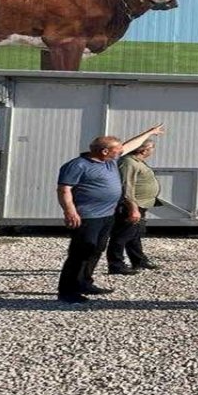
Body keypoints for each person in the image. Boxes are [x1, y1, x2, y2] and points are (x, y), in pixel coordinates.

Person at [55, 124, 164, 304]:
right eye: (117, 150)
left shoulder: (109, 161)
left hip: (106, 215)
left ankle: (84, 282)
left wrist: (150, 132)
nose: (122, 152)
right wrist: (70, 211)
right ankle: (67, 291)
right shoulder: (77, 165)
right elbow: (64, 189)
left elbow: (129, 144)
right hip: (86, 216)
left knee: (95, 250)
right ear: (105, 151)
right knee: (80, 252)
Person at [107, 139, 161, 274]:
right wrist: (132, 207)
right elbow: (127, 185)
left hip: (141, 204)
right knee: (123, 234)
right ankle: (116, 265)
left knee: (135, 233)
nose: (152, 151)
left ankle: (139, 259)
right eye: (151, 148)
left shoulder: (137, 162)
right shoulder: (128, 162)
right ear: (144, 150)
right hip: (131, 205)